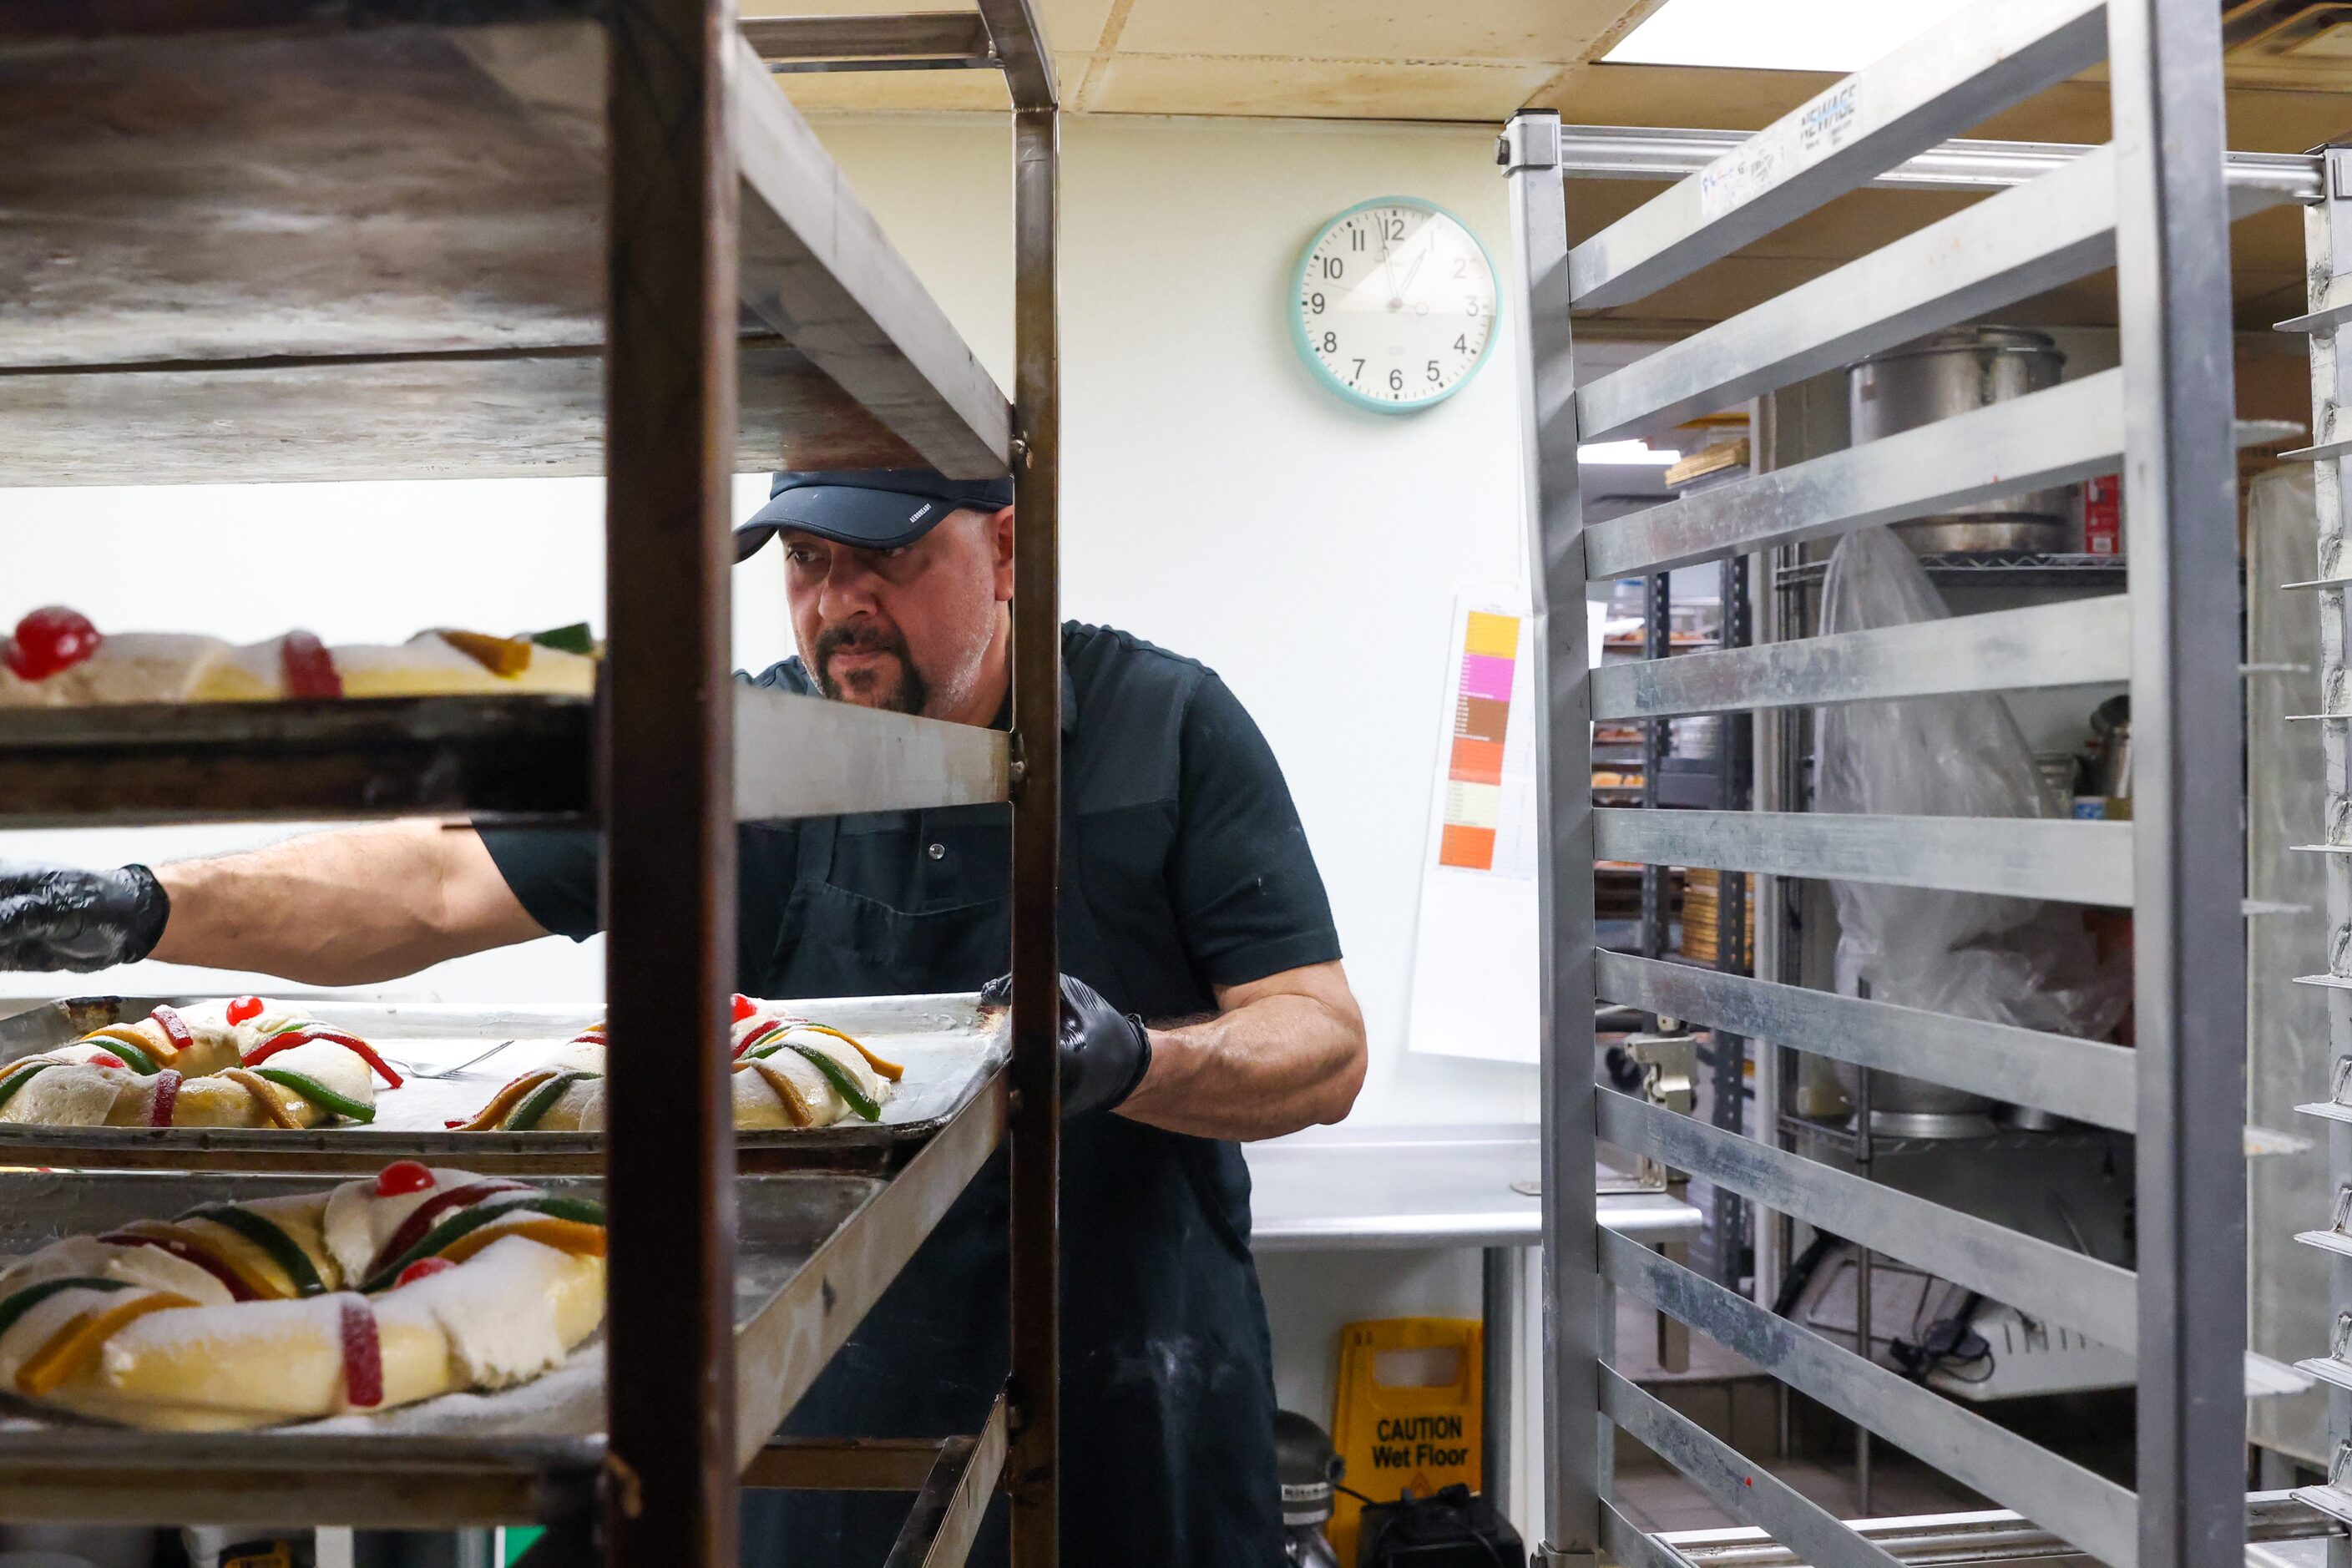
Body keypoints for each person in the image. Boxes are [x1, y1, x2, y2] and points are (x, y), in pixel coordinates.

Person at [0, 467, 1368, 1567]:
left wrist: (1134, 1055)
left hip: (1134, 1377)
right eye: (805, 564)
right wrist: (136, 903)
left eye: (879, 560)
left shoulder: (1166, 724)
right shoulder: (755, 747)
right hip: (831, 1380)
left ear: (1005, 550)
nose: (837, 602)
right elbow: (430, 880)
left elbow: (1319, 1041)